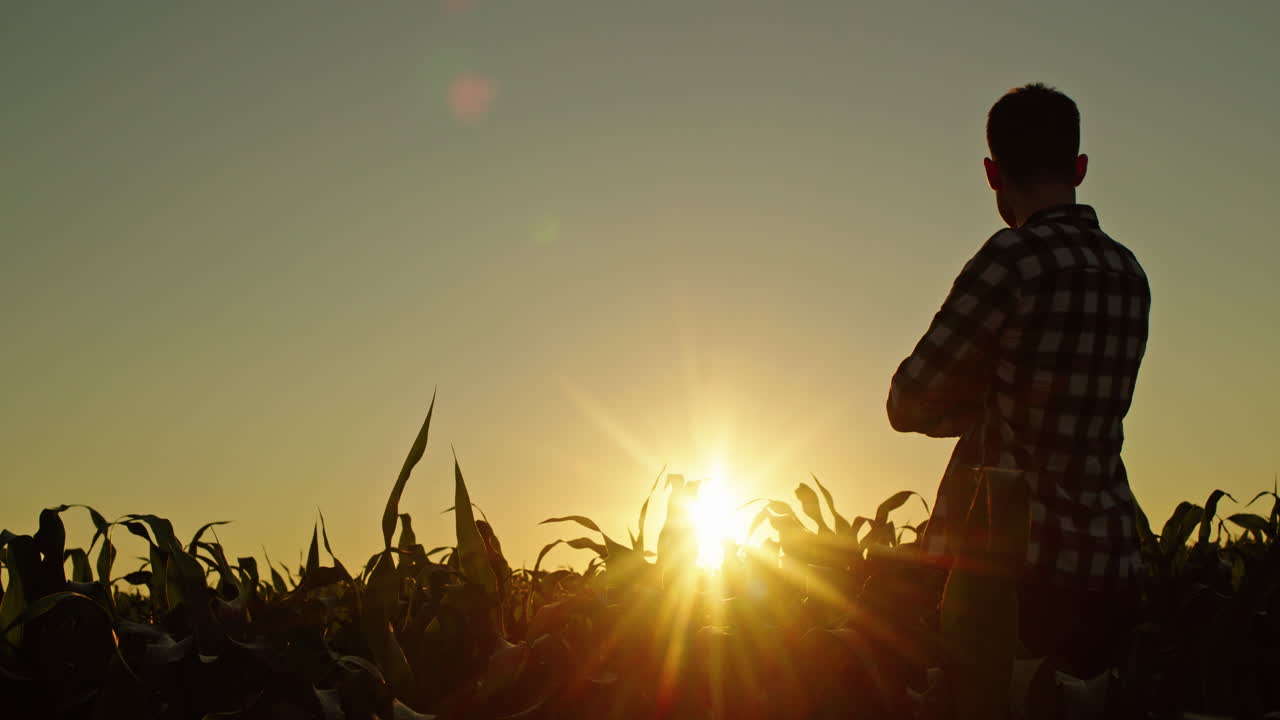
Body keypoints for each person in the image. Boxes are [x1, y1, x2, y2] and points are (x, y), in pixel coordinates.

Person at [886, 83, 1149, 677]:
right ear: (1079, 166)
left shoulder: (1012, 259)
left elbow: (908, 400)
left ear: (992, 173)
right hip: (1110, 570)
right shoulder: (1129, 273)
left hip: (1009, 576)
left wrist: (978, 402)